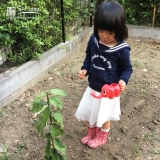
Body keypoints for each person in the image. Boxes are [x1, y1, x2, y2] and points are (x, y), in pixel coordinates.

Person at [75, 0, 133, 148]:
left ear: (120, 29)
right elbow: (89, 56)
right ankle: (91, 132)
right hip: (93, 87)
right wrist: (85, 69)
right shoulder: (94, 40)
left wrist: (123, 81)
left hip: (108, 92)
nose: (104, 36)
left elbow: (127, 69)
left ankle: (102, 136)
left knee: (104, 115)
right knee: (89, 112)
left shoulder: (122, 50)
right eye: (101, 30)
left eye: (110, 32)